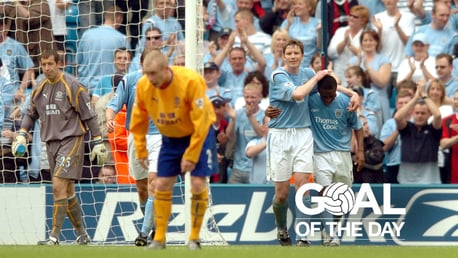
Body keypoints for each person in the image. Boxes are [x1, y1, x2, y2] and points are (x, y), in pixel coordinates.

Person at [12, 49, 107, 245]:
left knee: (57, 185)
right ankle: (83, 235)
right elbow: (31, 113)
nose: (47, 68)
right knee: (67, 189)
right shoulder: (39, 88)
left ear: (59, 64)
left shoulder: (73, 86)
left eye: (50, 64)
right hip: (50, 142)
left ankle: (54, 237)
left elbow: (89, 115)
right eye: (44, 64)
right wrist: (22, 133)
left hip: (71, 140)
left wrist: (97, 140)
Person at [129, 49, 216, 250]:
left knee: (196, 183)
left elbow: (202, 123)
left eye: (152, 74)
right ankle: (159, 238)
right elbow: (139, 119)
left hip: (199, 135)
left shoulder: (190, 81)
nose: (148, 78)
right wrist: (141, 149)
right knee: (161, 184)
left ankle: (194, 238)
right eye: (145, 73)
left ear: (165, 69)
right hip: (170, 138)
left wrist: (192, 154)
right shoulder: (143, 85)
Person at [105, 46, 161, 246]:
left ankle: (143, 233)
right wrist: (109, 119)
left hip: (160, 138)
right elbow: (113, 105)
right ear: (142, 63)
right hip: (136, 138)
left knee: (154, 182)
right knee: (142, 188)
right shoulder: (130, 80)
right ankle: (153, 224)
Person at [309, 75, 364, 246]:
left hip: (342, 155)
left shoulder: (346, 102)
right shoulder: (310, 100)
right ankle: (330, 235)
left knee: (341, 198)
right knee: (324, 194)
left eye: (331, 96)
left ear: (336, 91)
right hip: (320, 155)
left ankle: (333, 228)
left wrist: (360, 151)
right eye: (324, 96)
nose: (327, 99)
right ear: (318, 91)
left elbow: (358, 127)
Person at [394, 81, 442, 184]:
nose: (420, 115)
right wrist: (415, 98)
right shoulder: (407, 129)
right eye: (417, 113)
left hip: (430, 181)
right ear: (412, 113)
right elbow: (397, 117)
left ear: (429, 114)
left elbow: (437, 115)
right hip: (406, 181)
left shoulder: (433, 130)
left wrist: (424, 95)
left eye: (423, 113)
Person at [77, 5, 130, 95]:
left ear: (105, 16)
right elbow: (127, 66)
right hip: (108, 91)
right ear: (119, 17)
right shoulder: (122, 39)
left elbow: (78, 61)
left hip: (86, 88)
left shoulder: (86, 35)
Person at [440, 90, 458, 183]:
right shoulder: (447, 120)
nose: (456, 102)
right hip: (452, 173)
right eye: (455, 99)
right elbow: (443, 144)